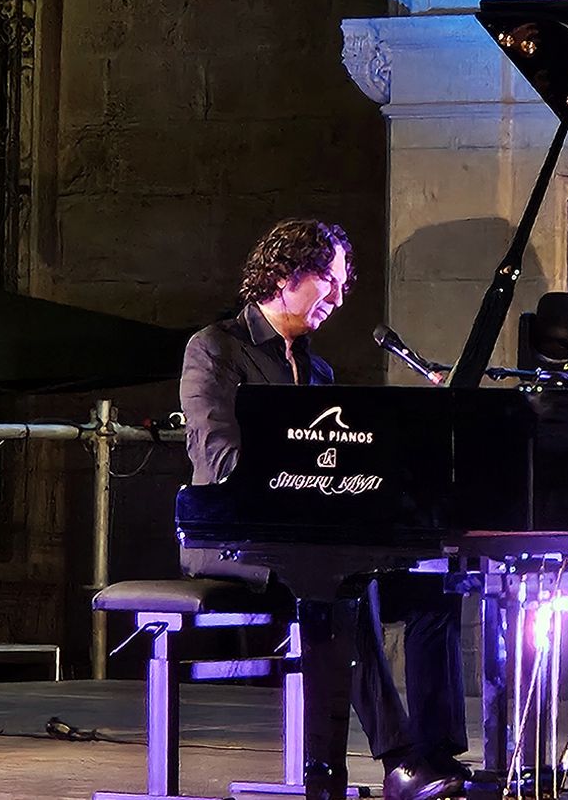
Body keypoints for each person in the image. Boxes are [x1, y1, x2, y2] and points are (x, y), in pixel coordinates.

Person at [179, 218, 468, 800]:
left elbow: (333, 463)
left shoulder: (318, 370)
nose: (338, 297)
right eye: (328, 282)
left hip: (308, 539)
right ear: (285, 275)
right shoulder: (216, 347)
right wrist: (294, 485)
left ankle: (436, 756)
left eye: (342, 285)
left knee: (436, 591)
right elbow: (216, 451)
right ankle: (393, 761)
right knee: (341, 584)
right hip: (232, 537)